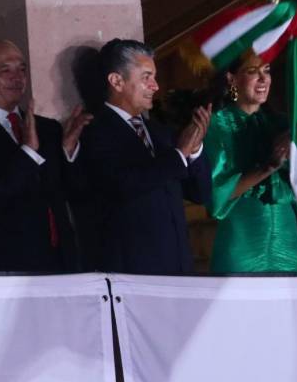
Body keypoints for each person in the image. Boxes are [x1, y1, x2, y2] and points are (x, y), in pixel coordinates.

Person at [0, 39, 91, 271]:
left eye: (22, 70)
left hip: (61, 264)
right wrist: (28, 153)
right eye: (6, 71)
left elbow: (73, 190)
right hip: (6, 265)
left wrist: (69, 152)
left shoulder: (48, 128)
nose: (18, 78)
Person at [78, 39, 212, 274]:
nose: (155, 86)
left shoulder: (160, 132)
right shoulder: (94, 131)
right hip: (132, 270)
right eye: (146, 77)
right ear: (117, 81)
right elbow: (122, 185)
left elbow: (201, 194)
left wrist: (196, 148)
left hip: (178, 267)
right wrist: (179, 154)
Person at [203, 53, 297, 272]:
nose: (263, 79)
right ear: (232, 79)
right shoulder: (216, 125)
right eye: (252, 72)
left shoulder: (283, 124)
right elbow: (218, 195)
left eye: (267, 71)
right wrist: (269, 166)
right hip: (242, 242)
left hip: (288, 242)